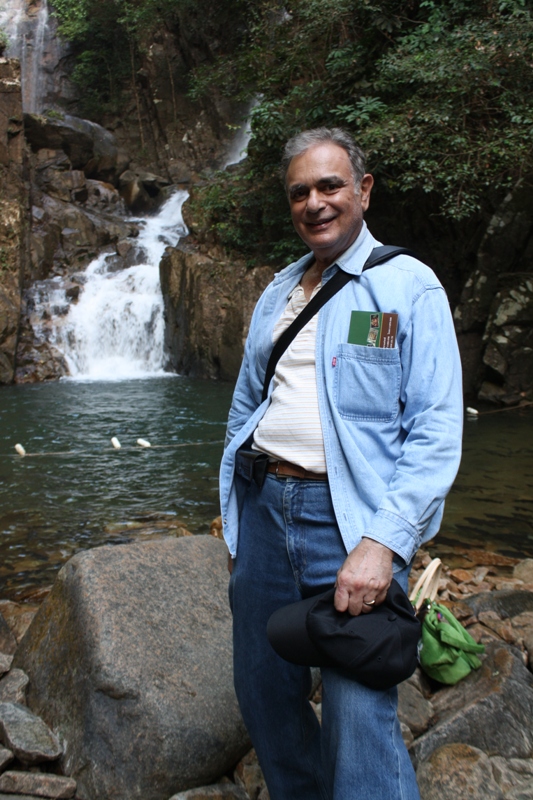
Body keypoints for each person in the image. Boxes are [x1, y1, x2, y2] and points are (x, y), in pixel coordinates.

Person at [219, 127, 463, 800]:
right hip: (264, 513)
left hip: (351, 524)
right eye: (299, 191)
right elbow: (246, 409)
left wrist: (383, 541)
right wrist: (234, 519)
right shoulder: (276, 294)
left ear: (362, 189)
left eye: (329, 185)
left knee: (358, 717)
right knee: (265, 694)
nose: (314, 203)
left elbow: (436, 427)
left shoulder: (407, 286)